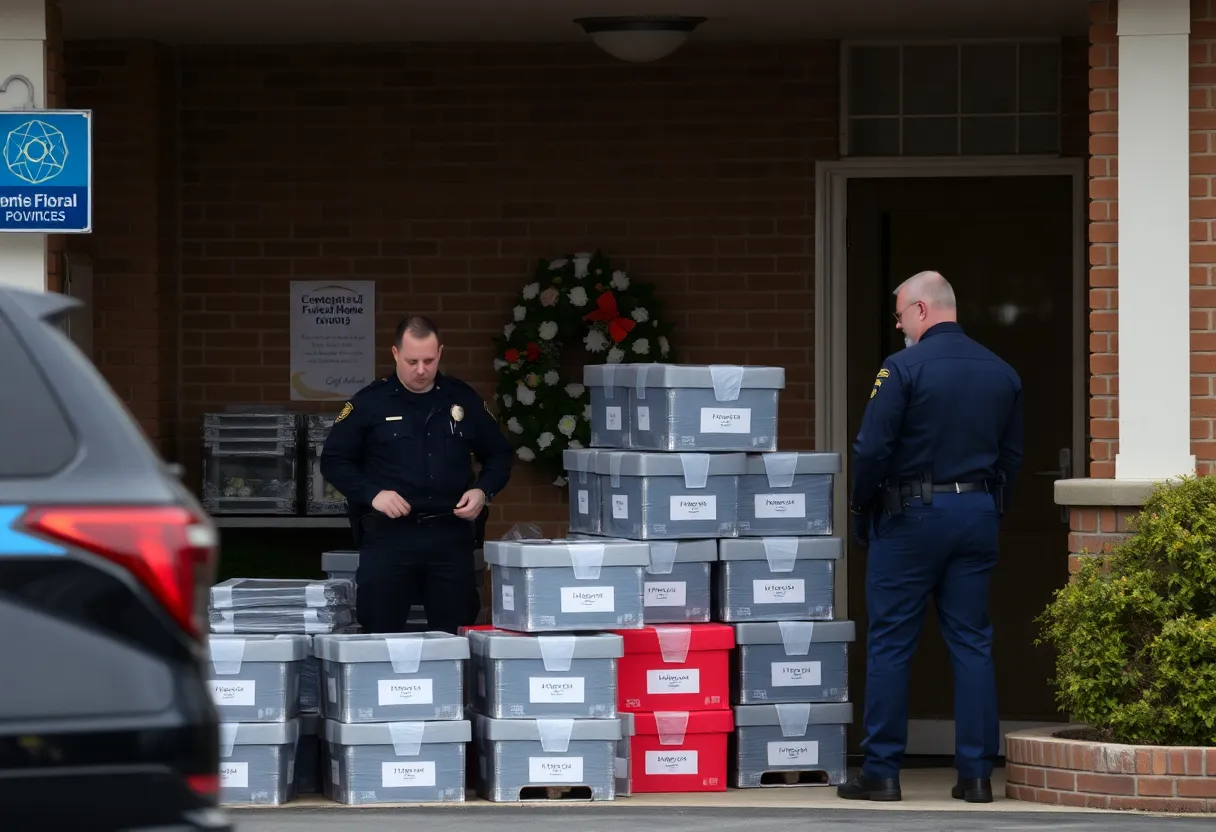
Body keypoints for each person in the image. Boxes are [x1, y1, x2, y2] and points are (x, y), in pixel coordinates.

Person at [837, 271, 1022, 805]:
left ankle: (882, 772)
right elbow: (1011, 457)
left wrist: (861, 505)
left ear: (921, 310)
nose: (897, 326)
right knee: (972, 643)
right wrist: (991, 509)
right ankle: (977, 775)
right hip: (977, 514)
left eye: (898, 315)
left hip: (911, 517)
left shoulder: (901, 368)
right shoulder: (1002, 372)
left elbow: (871, 449)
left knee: (892, 640)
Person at [320, 315, 513, 635]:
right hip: (389, 536)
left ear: (440, 352)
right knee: (380, 632)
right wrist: (373, 494)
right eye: (412, 361)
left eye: (429, 360)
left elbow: (500, 454)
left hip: (449, 534)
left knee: (454, 635)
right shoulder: (370, 402)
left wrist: (483, 492)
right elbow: (334, 460)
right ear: (395, 354)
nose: (421, 369)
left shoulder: (461, 399)